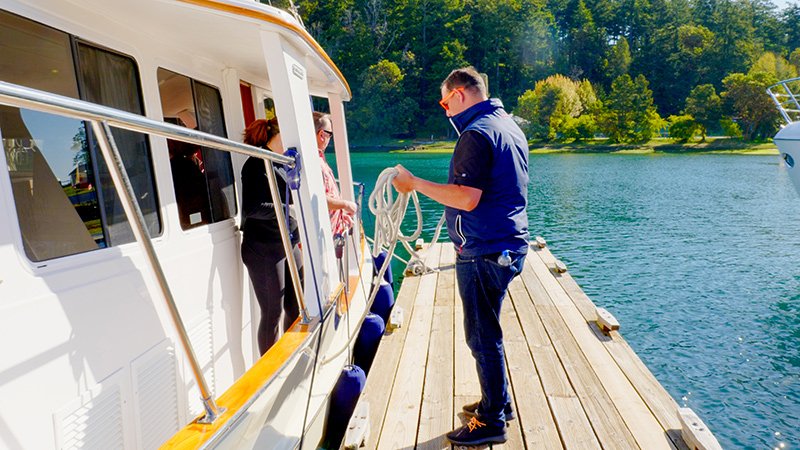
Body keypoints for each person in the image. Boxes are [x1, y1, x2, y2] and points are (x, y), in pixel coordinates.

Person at [392, 67, 529, 446]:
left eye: (444, 103)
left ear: (460, 95)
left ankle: (491, 422)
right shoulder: (508, 126)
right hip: (508, 245)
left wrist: (414, 183)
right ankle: (498, 403)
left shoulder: (476, 134)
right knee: (490, 330)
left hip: (484, 251)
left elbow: (467, 197)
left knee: (482, 336)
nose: (445, 112)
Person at [240, 118, 303, 355]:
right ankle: (270, 366)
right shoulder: (256, 164)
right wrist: (290, 207)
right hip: (263, 248)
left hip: (287, 243)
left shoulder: (282, 161)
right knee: (272, 312)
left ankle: (289, 353)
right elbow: (252, 208)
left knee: (296, 304)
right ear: (277, 135)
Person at [312, 111, 357, 236]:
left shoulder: (318, 158)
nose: (329, 139)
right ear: (322, 135)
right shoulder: (313, 162)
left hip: (330, 233)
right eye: (330, 134)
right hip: (323, 237)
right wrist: (346, 205)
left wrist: (341, 216)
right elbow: (319, 199)